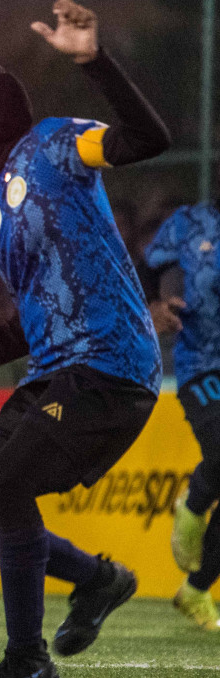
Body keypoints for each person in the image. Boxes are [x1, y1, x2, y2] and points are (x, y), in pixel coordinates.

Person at [0, 0, 170, 678]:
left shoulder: (58, 145)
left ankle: (27, 660)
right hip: (56, 369)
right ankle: (100, 580)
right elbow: (39, 314)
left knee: (8, 483)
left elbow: (148, 138)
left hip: (112, 366)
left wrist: (95, 62)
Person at [143, 205, 220, 632]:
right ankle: (192, 506)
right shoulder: (190, 223)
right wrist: (155, 303)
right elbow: (144, 266)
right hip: (203, 364)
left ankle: (196, 588)